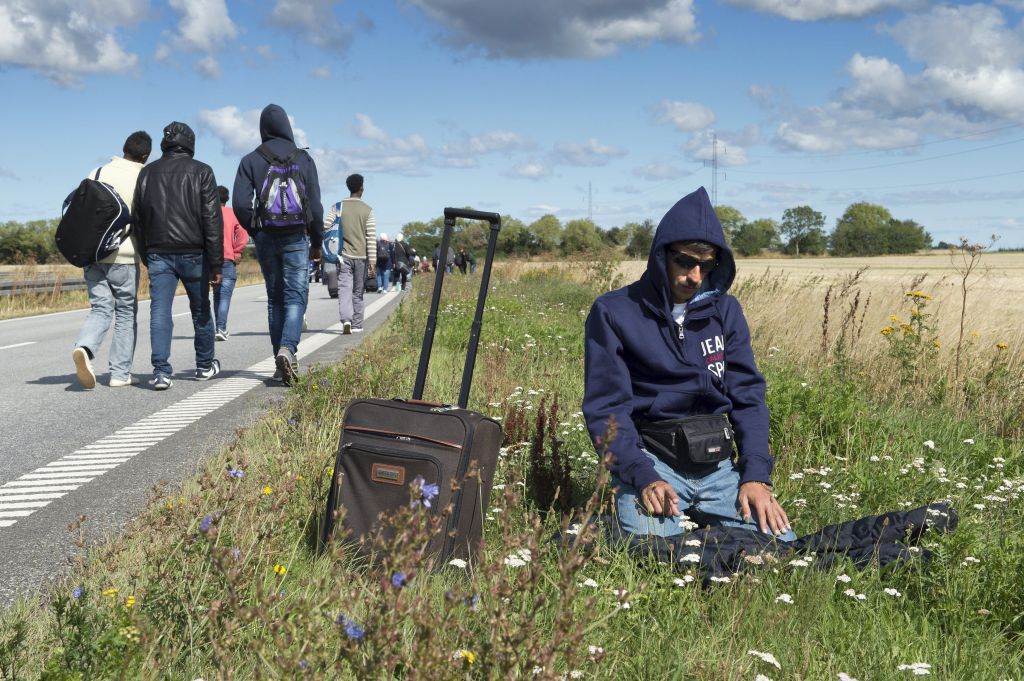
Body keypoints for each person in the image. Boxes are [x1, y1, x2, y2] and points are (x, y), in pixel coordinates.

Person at [582, 187, 794, 542]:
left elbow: (748, 396)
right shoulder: (614, 312)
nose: (695, 276)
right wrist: (642, 475)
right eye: (684, 262)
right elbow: (607, 409)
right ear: (660, 255)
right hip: (654, 462)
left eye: (707, 264)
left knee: (780, 545)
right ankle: (619, 521)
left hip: (717, 467)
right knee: (653, 552)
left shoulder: (725, 311)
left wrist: (755, 476)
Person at [232, 104, 324, 385]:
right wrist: (317, 241)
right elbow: (317, 206)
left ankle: (278, 361)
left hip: (266, 237)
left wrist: (256, 230)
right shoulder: (303, 159)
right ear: (287, 126)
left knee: (275, 299)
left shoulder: (251, 159)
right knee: (296, 296)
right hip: (297, 235)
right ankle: (289, 349)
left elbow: (239, 203)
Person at [133, 122, 223, 391]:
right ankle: (204, 366)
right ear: (190, 143)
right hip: (195, 253)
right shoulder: (202, 171)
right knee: (201, 311)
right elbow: (212, 221)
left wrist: (146, 254)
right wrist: (216, 263)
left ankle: (161, 372)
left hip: (158, 253)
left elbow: (138, 218)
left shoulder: (147, 173)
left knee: (160, 312)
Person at [71, 131, 151, 390]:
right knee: (126, 311)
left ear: (124, 148)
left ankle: (84, 347)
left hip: (93, 253)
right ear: (145, 155)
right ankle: (119, 373)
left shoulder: (95, 172)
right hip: (124, 254)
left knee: (100, 308)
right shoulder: (143, 177)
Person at [324, 173, 375, 333]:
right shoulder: (368, 210)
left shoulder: (338, 207)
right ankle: (357, 324)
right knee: (358, 291)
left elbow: (326, 225)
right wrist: (372, 261)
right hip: (361, 257)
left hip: (342, 256)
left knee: (345, 288)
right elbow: (371, 237)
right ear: (362, 188)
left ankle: (346, 319)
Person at [214, 186, 249, 341]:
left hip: (211, 261)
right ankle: (221, 328)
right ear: (226, 199)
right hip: (228, 259)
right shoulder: (233, 213)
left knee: (216, 295)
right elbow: (243, 234)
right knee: (225, 296)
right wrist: (237, 251)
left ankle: (218, 328)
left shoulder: (207, 212)